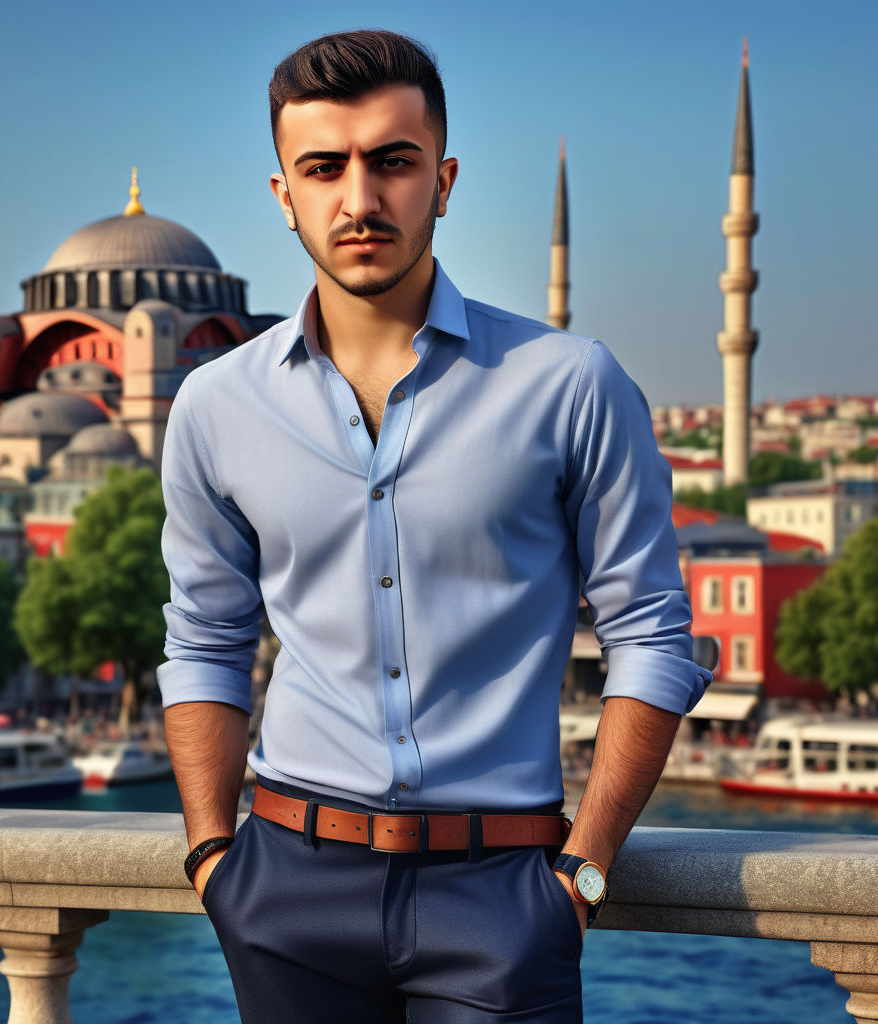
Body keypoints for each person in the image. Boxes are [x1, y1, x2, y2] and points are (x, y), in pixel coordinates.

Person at [158, 29, 710, 1023]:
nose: (359, 199)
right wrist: (212, 856)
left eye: (393, 162)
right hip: (284, 888)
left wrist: (579, 877)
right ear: (284, 194)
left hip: (501, 893)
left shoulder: (566, 384)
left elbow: (652, 636)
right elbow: (204, 636)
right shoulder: (213, 406)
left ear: (442, 181)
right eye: (323, 167)